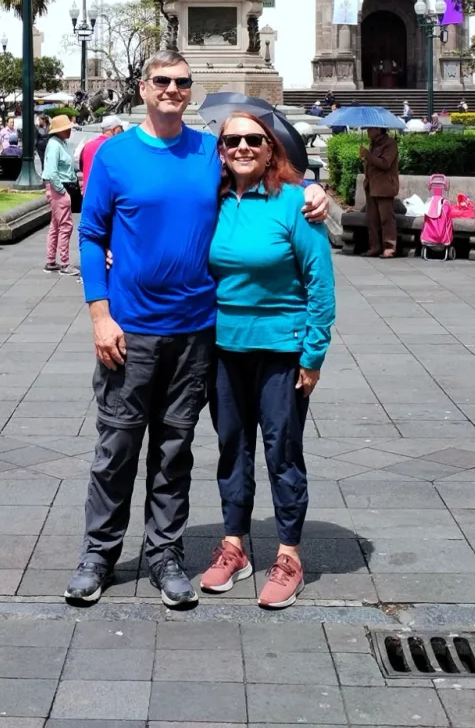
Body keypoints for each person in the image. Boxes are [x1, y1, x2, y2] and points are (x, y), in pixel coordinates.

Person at [67, 51, 327, 610]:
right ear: (143, 87)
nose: (172, 89)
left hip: (196, 333)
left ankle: (165, 556)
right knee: (116, 448)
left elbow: (266, 169)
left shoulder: (209, 153)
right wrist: (99, 314)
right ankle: (99, 555)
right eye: (162, 81)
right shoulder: (114, 156)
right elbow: (90, 235)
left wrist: (314, 193)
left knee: (174, 449)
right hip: (129, 330)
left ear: (191, 91)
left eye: (182, 82)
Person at [198, 111, 335, 609]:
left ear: (271, 146)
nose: (242, 147)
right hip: (224, 348)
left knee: (282, 452)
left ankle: (289, 554)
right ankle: (234, 545)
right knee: (231, 448)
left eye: (253, 139)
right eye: (231, 140)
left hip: (281, 351)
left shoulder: (297, 204)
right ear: (221, 149)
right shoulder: (211, 203)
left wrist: (313, 353)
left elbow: (321, 284)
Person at [42, 114, 80, 274]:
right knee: (65, 225)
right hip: (58, 187)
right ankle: (64, 263)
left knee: (56, 225)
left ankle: (51, 260)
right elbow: (51, 172)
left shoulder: (61, 143)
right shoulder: (55, 145)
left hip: (60, 186)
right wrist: (62, 191)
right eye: (67, 129)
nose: (69, 131)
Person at [362, 126, 400, 258]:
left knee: (386, 219)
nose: (367, 131)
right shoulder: (373, 144)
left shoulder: (390, 144)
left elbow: (385, 164)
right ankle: (374, 246)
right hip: (371, 186)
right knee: (372, 219)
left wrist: (368, 155)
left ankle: (389, 247)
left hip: (385, 187)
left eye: (370, 129)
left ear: (378, 129)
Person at [78, 114, 126, 192]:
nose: (122, 132)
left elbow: (82, 167)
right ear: (113, 130)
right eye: (120, 129)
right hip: (106, 196)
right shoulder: (114, 147)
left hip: (88, 195)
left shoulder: (88, 145)